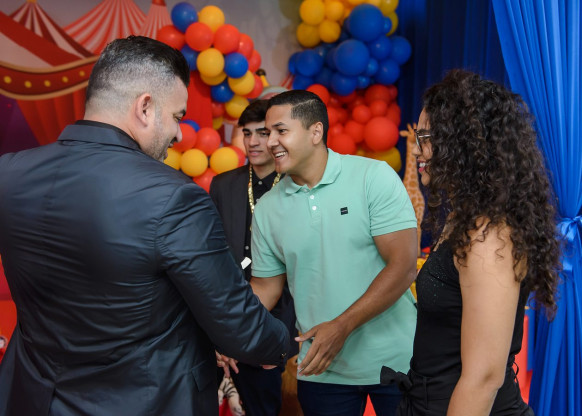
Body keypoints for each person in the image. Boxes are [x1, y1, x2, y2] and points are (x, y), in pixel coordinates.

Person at [0, 36, 289, 416]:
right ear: (145, 107)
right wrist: (286, 344)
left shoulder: (9, 172)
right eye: (177, 116)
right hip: (145, 401)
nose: (179, 134)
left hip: (32, 395)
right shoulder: (173, 196)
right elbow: (238, 325)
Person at [387, 69, 561, 415]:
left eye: (426, 137)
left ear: (463, 144)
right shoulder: (465, 219)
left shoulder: (488, 237)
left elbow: (483, 379)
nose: (418, 149)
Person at [249, 90, 419, 416]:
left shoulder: (372, 176)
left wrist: (342, 326)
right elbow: (265, 287)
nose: (269, 142)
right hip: (321, 367)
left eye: (280, 131)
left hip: (397, 362)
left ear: (316, 132)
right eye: (267, 132)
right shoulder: (268, 208)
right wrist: (227, 332)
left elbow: (403, 266)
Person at [209, 99, 298, 416]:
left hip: (283, 317)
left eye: (262, 132)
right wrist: (222, 331)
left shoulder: (295, 185)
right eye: (246, 133)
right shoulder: (224, 185)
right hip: (231, 312)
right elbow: (214, 258)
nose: (253, 142)